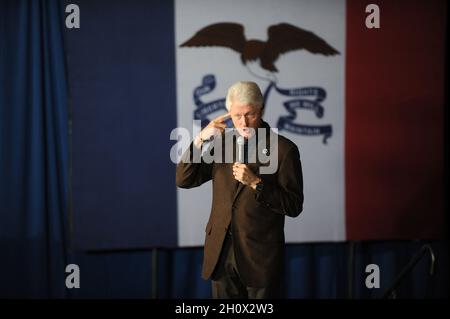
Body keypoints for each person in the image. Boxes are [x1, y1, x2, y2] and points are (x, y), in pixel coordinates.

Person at [176, 81, 303, 299]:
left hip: (260, 258)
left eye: (249, 114)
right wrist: (199, 141)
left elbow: (293, 206)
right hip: (220, 254)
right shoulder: (221, 143)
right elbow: (185, 179)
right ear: (229, 114)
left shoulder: (284, 149)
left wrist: (256, 183)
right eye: (236, 116)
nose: (243, 122)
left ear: (261, 110)